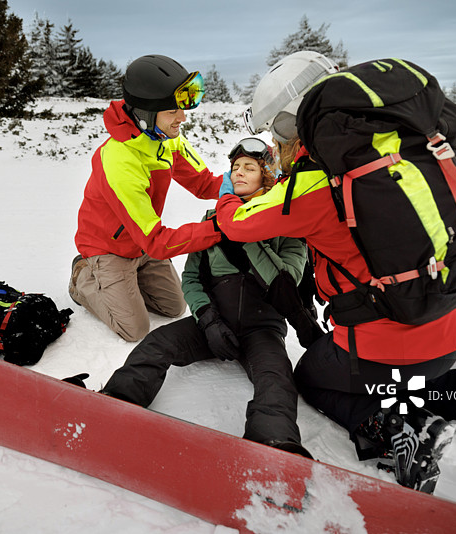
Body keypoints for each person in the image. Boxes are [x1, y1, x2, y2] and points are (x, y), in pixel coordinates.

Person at [214, 51, 456, 493]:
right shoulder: (408, 156)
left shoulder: (317, 185)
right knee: (408, 363)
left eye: (275, 134)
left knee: (311, 378)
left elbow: (236, 224)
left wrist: (227, 193)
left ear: (292, 126)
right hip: (448, 330)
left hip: (381, 351)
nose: (274, 147)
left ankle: (402, 425)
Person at [99, 138, 313, 458]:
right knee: (157, 344)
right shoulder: (212, 218)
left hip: (262, 328)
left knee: (277, 379)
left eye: (249, 168)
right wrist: (208, 319)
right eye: (234, 167)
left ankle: (274, 444)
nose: (238, 173)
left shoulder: (286, 219)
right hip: (214, 321)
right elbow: (191, 277)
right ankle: (116, 401)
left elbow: (287, 281)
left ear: (266, 176)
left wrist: (242, 224)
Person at [69, 54, 226, 342]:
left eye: (180, 109)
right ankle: (83, 277)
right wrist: (218, 229)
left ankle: (127, 282)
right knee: (134, 329)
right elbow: (156, 240)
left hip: (141, 243)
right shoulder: (118, 161)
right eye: (172, 112)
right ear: (144, 116)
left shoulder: (166, 138)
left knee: (174, 307)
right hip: (109, 248)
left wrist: (246, 183)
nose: (182, 118)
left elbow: (204, 183)